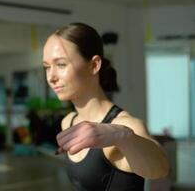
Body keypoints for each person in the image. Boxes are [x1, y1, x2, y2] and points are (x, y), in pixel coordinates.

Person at [42, 22, 169, 191]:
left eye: (61, 64)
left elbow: (160, 169)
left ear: (94, 65)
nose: (51, 77)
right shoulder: (68, 122)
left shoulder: (127, 125)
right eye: (47, 67)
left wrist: (122, 136)